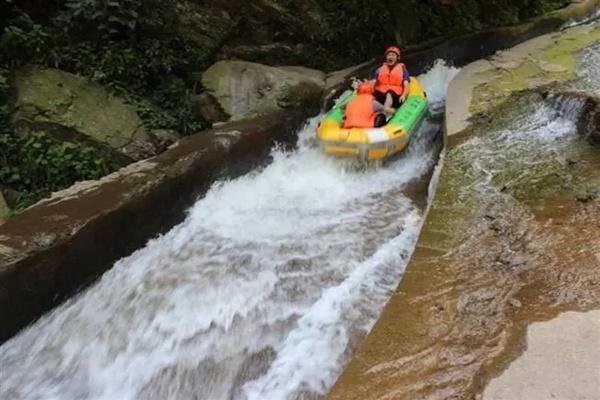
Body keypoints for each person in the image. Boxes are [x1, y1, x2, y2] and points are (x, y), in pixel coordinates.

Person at [372, 46, 410, 116]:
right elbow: (373, 83)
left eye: (393, 55)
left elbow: (406, 84)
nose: (390, 57)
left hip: (395, 96)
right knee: (371, 93)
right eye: (389, 55)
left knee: (389, 93)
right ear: (386, 57)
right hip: (382, 95)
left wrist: (404, 95)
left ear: (397, 58)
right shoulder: (379, 70)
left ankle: (386, 111)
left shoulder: (403, 70)